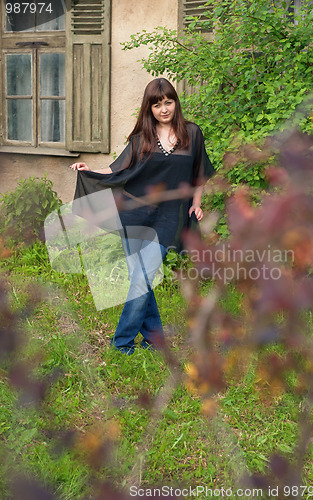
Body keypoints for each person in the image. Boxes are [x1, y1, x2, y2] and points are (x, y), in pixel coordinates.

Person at [70, 78, 215, 354]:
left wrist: (196, 203)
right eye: (157, 104)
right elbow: (117, 170)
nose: (164, 109)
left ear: (176, 103)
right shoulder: (141, 139)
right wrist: (88, 169)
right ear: (149, 108)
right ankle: (154, 340)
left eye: (168, 102)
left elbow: (199, 174)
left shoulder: (192, 134)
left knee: (141, 280)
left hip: (168, 218)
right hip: (134, 214)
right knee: (142, 280)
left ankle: (121, 343)